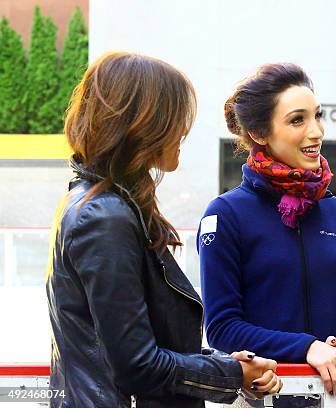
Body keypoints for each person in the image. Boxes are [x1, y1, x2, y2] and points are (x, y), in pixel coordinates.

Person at [46, 51, 282, 408]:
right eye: (175, 117)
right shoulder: (104, 216)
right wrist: (233, 375)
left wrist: (223, 366)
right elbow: (137, 365)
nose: (184, 130)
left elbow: (140, 344)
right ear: (144, 124)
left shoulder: (98, 204)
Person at [198, 63, 336, 406]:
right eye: (298, 120)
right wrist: (306, 348)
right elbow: (222, 327)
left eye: (317, 116)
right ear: (260, 133)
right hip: (256, 399)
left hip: (331, 397)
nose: (316, 132)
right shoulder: (225, 215)